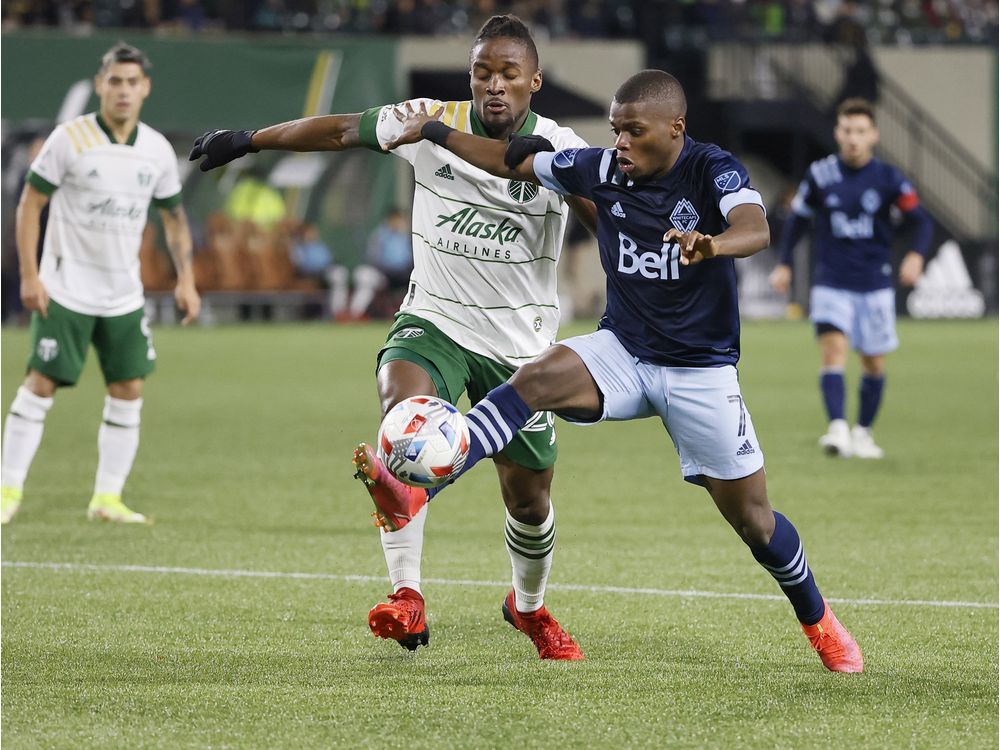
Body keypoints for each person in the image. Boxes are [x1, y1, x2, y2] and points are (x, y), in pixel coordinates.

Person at [363, 69, 865, 673]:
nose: (620, 143)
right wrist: (439, 134)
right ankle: (417, 486)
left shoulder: (712, 169)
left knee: (756, 523)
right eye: (615, 130)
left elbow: (755, 228)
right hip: (623, 350)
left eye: (634, 131)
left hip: (699, 373)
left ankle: (819, 620)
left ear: (675, 130)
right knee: (535, 379)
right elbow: (508, 162)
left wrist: (713, 245)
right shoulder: (600, 169)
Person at [189, 15, 597, 660]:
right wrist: (251, 141)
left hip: (522, 347)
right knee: (401, 425)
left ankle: (528, 608)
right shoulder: (427, 118)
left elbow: (608, 220)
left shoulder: (560, 149)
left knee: (530, 501)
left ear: (534, 82)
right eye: (482, 72)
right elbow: (341, 128)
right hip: (434, 319)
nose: (494, 85)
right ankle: (406, 596)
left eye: (508, 74)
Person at [0, 42, 201, 525]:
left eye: (133, 82)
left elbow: (174, 219)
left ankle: (106, 499)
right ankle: (7, 490)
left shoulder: (154, 149)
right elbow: (30, 204)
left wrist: (186, 281)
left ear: (145, 88)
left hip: (122, 295)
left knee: (129, 387)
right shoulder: (68, 139)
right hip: (65, 288)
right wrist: (29, 274)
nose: (124, 90)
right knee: (40, 383)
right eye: (115, 81)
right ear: (100, 85)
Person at [769, 98, 932, 459]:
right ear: (837, 133)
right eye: (847, 131)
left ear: (873, 135)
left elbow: (921, 221)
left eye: (860, 131)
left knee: (873, 362)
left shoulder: (889, 178)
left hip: (874, 283)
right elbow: (797, 220)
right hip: (831, 280)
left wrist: (917, 256)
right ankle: (838, 429)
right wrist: (784, 263)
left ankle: (863, 432)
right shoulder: (821, 175)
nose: (853, 138)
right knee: (833, 349)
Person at [341, 207, 414, 321]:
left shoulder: (404, 237)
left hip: (403, 274)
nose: (397, 222)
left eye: (399, 219)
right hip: (384, 274)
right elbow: (374, 258)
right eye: (395, 219)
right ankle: (355, 313)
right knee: (366, 277)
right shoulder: (380, 235)